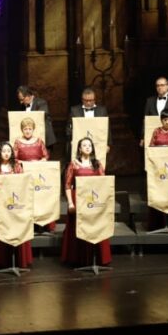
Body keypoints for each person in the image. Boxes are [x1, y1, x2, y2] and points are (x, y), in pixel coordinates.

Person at [60, 137, 111, 266]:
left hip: (94, 201)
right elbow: (67, 185)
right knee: (78, 228)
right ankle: (79, 259)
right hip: (79, 200)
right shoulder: (73, 164)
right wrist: (70, 203)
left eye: (89, 145)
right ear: (79, 148)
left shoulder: (97, 164)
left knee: (95, 227)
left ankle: (96, 259)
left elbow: (103, 183)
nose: (87, 147)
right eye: (84, 145)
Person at [0, 142, 33, 269]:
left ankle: (16, 260)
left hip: (14, 202)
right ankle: (1, 260)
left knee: (16, 227)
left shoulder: (17, 167)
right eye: (4, 151)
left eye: (9, 151)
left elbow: (22, 185)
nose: (6, 153)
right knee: (1, 229)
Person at [66, 88, 112, 154]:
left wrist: (108, 144)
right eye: (86, 100)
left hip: (98, 143)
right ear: (82, 100)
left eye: (91, 100)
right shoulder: (74, 111)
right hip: (80, 145)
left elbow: (107, 128)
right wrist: (72, 140)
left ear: (95, 99)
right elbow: (69, 127)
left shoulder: (102, 111)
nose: (88, 103)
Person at [140, 77, 168, 146]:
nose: (159, 87)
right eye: (157, 85)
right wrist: (142, 137)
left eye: (162, 85)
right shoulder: (149, 101)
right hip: (153, 137)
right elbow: (145, 120)